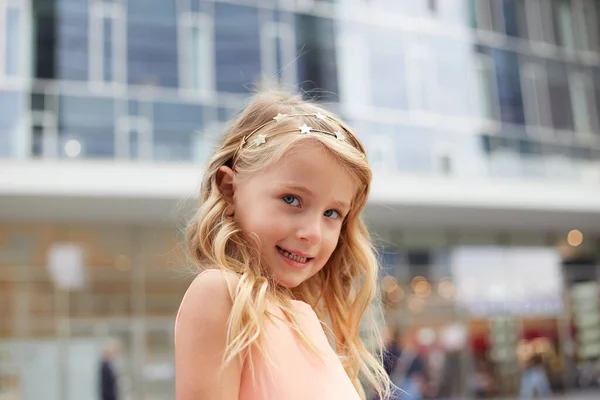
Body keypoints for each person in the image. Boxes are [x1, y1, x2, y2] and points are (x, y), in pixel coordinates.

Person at [175, 91, 393, 400]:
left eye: (332, 213)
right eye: (292, 199)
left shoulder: (307, 322)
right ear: (229, 191)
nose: (313, 233)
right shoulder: (222, 294)